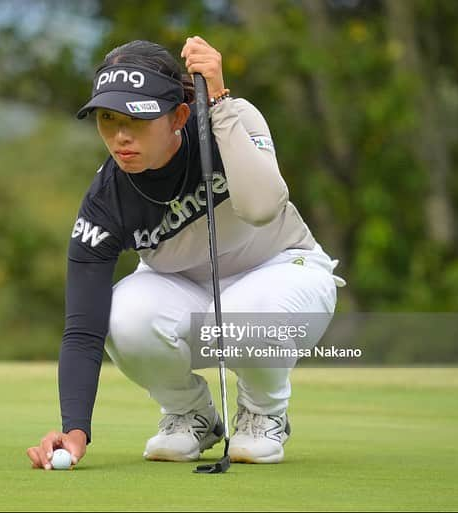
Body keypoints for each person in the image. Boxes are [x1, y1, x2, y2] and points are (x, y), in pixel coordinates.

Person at [26, 36, 344, 469]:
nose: (120, 137)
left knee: (243, 315)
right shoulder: (106, 201)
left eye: (136, 119)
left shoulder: (231, 118)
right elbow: (84, 330)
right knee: (122, 315)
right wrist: (75, 430)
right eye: (107, 118)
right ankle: (190, 414)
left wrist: (220, 103)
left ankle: (263, 413)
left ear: (178, 116)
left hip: (287, 271)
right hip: (190, 295)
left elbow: (262, 207)